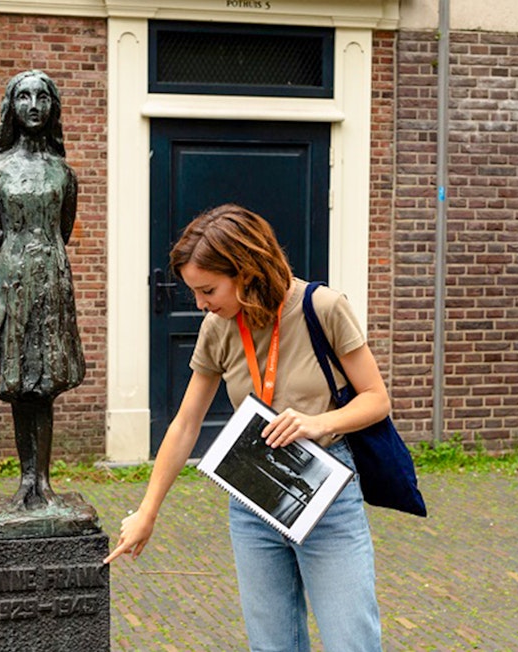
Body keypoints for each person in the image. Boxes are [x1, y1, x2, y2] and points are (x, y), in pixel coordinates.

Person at [104, 204, 389, 652]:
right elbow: (184, 424)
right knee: (272, 645)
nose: (200, 303)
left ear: (246, 270)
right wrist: (148, 511)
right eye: (195, 293)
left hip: (325, 493)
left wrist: (318, 423)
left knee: (350, 641)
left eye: (208, 289)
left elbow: (376, 398)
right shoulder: (218, 327)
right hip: (252, 497)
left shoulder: (322, 307)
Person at [0, 70, 84, 510]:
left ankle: (44, 482)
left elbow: (64, 229)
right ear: (12, 107)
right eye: (24, 96)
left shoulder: (63, 172)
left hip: (51, 280)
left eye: (43, 96)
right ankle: (26, 482)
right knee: (20, 382)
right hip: (10, 279)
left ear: (53, 106)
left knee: (46, 384)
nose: (34, 104)